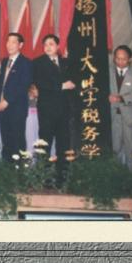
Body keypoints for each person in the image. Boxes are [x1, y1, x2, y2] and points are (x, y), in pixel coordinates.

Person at [31, 34, 75, 165]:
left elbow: (73, 81)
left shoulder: (66, 62)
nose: (48, 47)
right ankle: (41, 173)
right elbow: (40, 82)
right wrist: (61, 86)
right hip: (47, 109)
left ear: (58, 46)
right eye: (45, 45)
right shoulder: (38, 62)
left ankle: (63, 173)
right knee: (44, 142)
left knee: (64, 142)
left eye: (51, 44)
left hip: (64, 109)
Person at [0, 33, 32, 163]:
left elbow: (23, 85)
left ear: (20, 45)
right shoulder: (4, 61)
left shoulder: (26, 63)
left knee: (18, 141)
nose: (9, 45)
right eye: (8, 41)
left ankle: (19, 170)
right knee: (6, 141)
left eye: (13, 42)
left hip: (17, 108)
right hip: (2, 108)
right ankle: (7, 170)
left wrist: (7, 101)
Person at [108, 44, 132, 166]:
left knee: (131, 149)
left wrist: (121, 98)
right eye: (117, 58)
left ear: (130, 59)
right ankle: (115, 173)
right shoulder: (107, 72)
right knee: (114, 148)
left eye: (123, 59)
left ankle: (131, 175)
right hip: (112, 117)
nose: (120, 61)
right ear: (114, 58)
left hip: (129, 118)